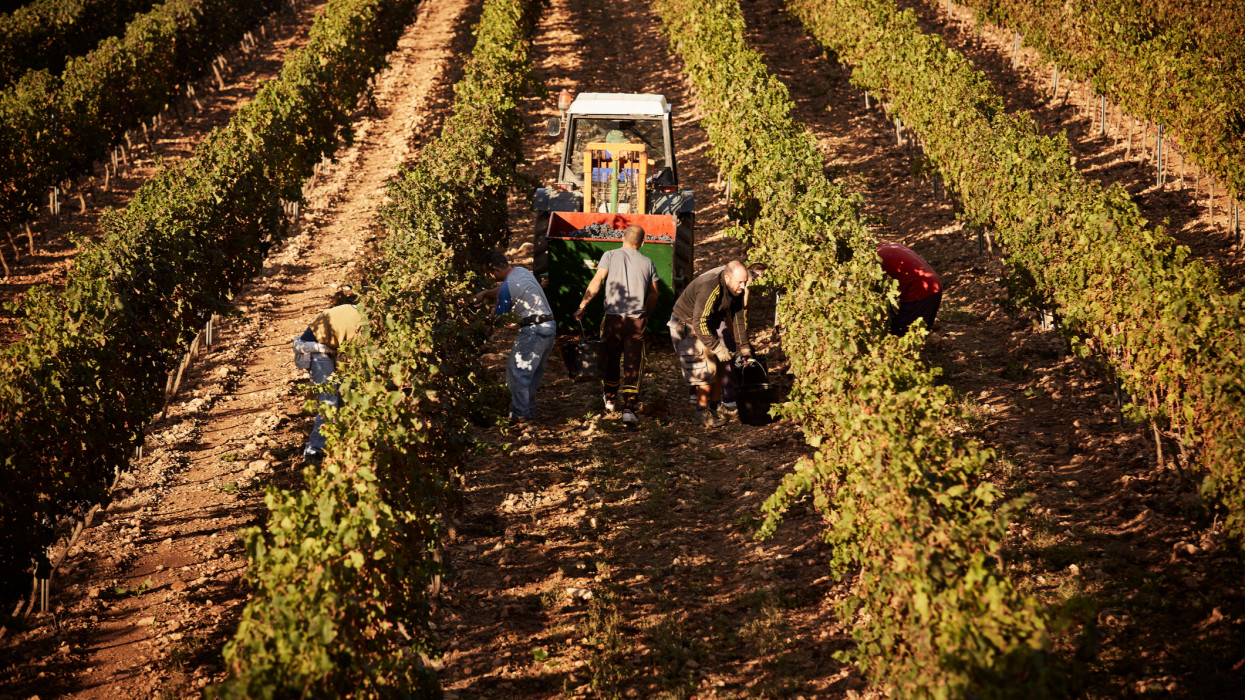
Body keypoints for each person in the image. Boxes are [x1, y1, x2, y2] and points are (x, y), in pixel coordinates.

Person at [573, 225, 659, 425]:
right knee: (632, 362)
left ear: (622, 238)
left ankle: (610, 398)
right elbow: (654, 293)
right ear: (643, 243)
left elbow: (597, 282)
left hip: (613, 319)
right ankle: (629, 408)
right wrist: (646, 315)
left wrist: (582, 305)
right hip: (636, 320)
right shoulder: (648, 262)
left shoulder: (609, 256)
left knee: (610, 357)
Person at [474, 250, 557, 424]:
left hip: (533, 330)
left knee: (517, 371)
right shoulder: (521, 272)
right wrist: (485, 293)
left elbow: (498, 319)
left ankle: (520, 414)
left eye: (489, 274)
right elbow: (503, 288)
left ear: (495, 269)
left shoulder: (507, 288)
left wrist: (477, 319)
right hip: (549, 326)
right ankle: (527, 410)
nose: (490, 277)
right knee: (531, 373)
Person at [668, 261, 752, 427]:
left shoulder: (736, 288)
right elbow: (699, 323)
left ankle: (714, 408)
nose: (743, 286)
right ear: (727, 277)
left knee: (719, 366)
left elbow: (737, 317)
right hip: (687, 324)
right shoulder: (710, 287)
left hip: (706, 324)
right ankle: (701, 412)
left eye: (745, 282)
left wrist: (744, 347)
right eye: (739, 282)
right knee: (705, 368)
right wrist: (717, 347)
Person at [293, 301, 361, 464]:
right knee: (329, 401)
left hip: (328, 346)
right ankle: (313, 451)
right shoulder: (363, 326)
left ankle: (340, 443)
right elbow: (357, 360)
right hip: (314, 349)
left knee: (343, 398)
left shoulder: (358, 312)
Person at [876, 242, 942, 336]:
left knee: (902, 335)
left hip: (922, 291)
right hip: (932, 283)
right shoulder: (886, 245)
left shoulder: (874, 260)